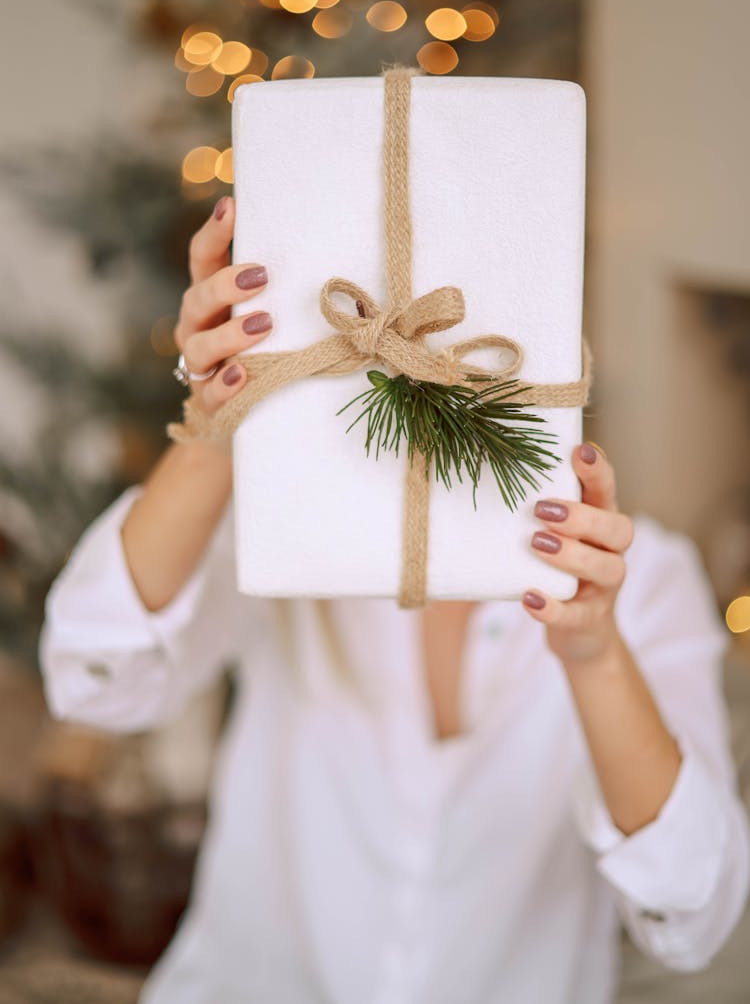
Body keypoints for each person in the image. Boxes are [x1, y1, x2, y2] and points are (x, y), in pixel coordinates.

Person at [39, 195, 750, 1004]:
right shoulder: (288, 525)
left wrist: (592, 653)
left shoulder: (644, 575)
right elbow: (97, 675)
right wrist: (215, 422)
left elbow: (693, 912)